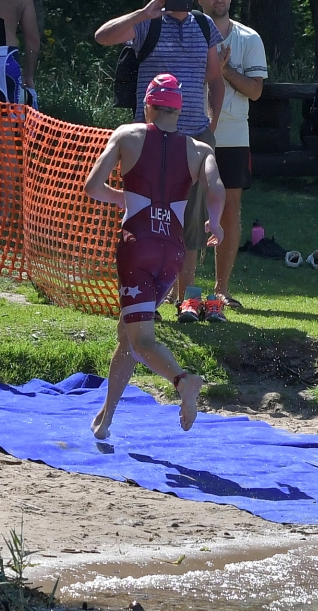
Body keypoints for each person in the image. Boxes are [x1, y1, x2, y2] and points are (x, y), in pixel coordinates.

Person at [83, 75, 225, 438]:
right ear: (178, 110)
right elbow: (216, 189)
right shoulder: (200, 150)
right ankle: (106, 416)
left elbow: (93, 187)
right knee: (128, 334)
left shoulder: (126, 135)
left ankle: (182, 380)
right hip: (172, 254)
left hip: (138, 249)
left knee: (141, 340)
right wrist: (215, 223)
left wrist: (123, 198)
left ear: (148, 106)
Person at [94, 0, 225, 320]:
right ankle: (144, 295)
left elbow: (215, 78)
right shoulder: (147, 23)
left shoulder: (204, 25)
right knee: (146, 216)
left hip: (194, 135)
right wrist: (144, 12)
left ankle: (187, 299)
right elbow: (102, 37)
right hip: (149, 139)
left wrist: (211, 123)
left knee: (191, 219)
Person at [196, 0, 266, 311]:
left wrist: (223, 70)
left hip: (234, 134)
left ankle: (220, 289)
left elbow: (255, 90)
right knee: (187, 206)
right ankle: (182, 288)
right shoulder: (188, 32)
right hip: (193, 129)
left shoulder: (248, 38)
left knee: (230, 208)